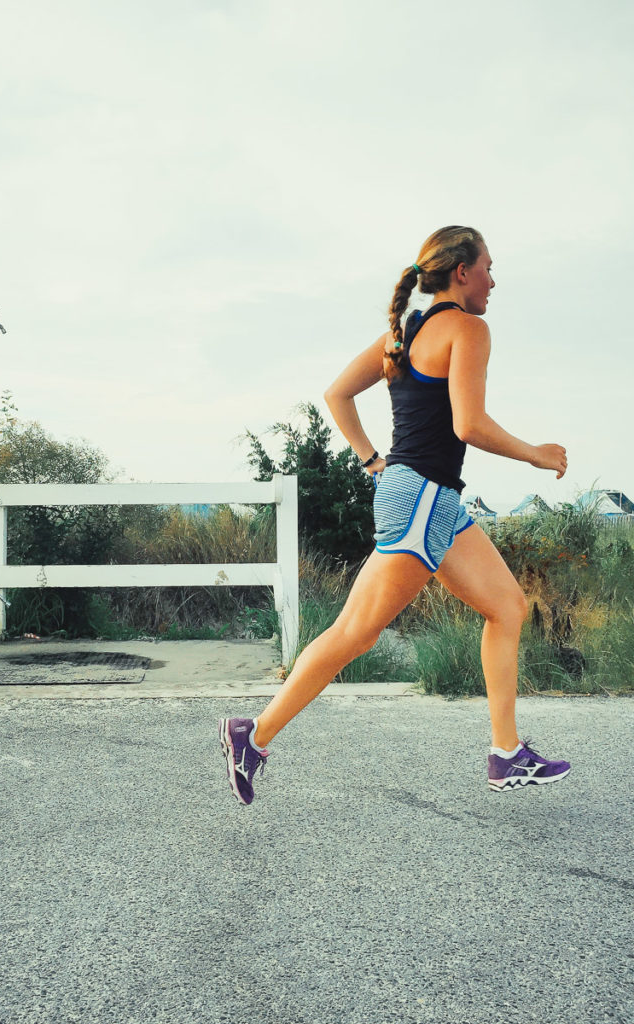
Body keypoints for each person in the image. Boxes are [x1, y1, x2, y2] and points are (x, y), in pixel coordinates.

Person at [219, 225, 571, 804]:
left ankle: (507, 755)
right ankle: (252, 736)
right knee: (356, 633)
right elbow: (468, 425)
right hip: (422, 498)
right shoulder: (468, 328)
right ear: (462, 272)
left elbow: (336, 394)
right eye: (488, 268)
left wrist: (371, 461)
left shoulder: (403, 333)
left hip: (430, 500)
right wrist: (536, 454)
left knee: (507, 606)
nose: (493, 281)